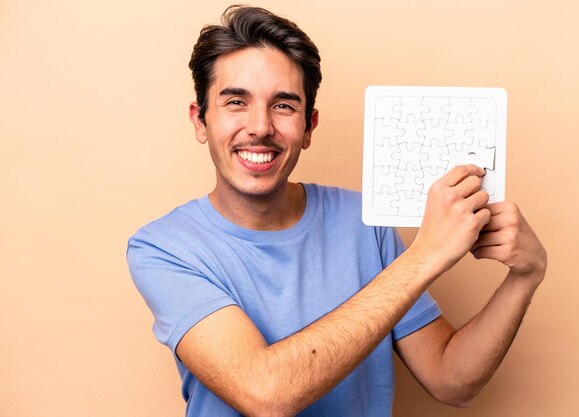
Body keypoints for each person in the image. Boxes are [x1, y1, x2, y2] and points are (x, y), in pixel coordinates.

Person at [126, 5, 547, 417]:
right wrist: (426, 254)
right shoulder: (161, 248)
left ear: (309, 127)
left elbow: (450, 381)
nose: (260, 127)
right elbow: (265, 395)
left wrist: (524, 278)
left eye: (283, 105)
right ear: (200, 121)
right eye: (236, 102)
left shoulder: (366, 223)